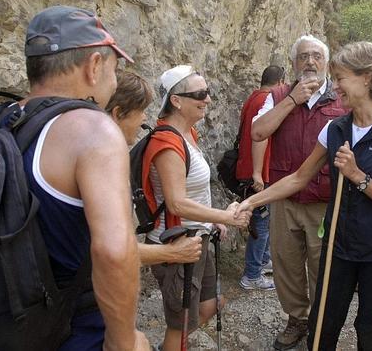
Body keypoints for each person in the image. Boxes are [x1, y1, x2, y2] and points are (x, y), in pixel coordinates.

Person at [238, 41, 372, 349]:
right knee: (323, 325)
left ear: (367, 78)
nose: (335, 87)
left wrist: (357, 177)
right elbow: (298, 177)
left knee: (370, 330)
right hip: (340, 246)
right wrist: (251, 201)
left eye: (340, 78)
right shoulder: (335, 129)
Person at [21, 6, 149, 350]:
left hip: (0, 324)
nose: (114, 79)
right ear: (94, 65)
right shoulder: (92, 128)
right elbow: (113, 251)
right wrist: (123, 342)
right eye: (114, 67)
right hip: (73, 332)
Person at [143, 65, 250, 351]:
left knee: (209, 306)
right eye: (200, 94)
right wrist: (224, 216)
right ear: (176, 100)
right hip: (176, 245)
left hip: (198, 239)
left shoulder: (188, 133)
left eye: (208, 92)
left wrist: (212, 221)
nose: (208, 99)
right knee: (179, 328)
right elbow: (177, 202)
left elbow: (195, 191)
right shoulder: (167, 143)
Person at [251, 35, 348, 349]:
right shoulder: (278, 95)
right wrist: (291, 99)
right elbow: (258, 131)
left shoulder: (341, 98)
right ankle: (297, 320)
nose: (310, 62)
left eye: (317, 56)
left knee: (323, 266)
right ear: (293, 64)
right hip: (285, 199)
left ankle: (322, 324)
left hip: (325, 201)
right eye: (303, 57)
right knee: (286, 265)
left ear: (327, 63)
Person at [105, 70, 203, 266]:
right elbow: (109, 246)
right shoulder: (103, 164)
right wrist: (171, 253)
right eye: (140, 111)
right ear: (117, 114)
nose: (144, 119)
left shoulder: (108, 155)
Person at [236, 65, 286, 290]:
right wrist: (258, 173)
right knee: (262, 221)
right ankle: (252, 275)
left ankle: (263, 261)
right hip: (259, 171)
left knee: (262, 219)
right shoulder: (268, 100)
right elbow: (261, 137)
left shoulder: (253, 98)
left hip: (247, 167)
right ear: (280, 82)